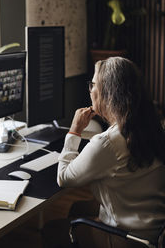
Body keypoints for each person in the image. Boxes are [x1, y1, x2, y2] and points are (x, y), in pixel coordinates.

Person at [42, 57, 165, 248]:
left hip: (131, 239)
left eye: (93, 85)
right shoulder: (152, 126)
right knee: (77, 207)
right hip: (155, 229)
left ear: (108, 93)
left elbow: (64, 177)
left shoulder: (108, 142)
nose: (90, 90)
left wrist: (74, 131)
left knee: (53, 230)